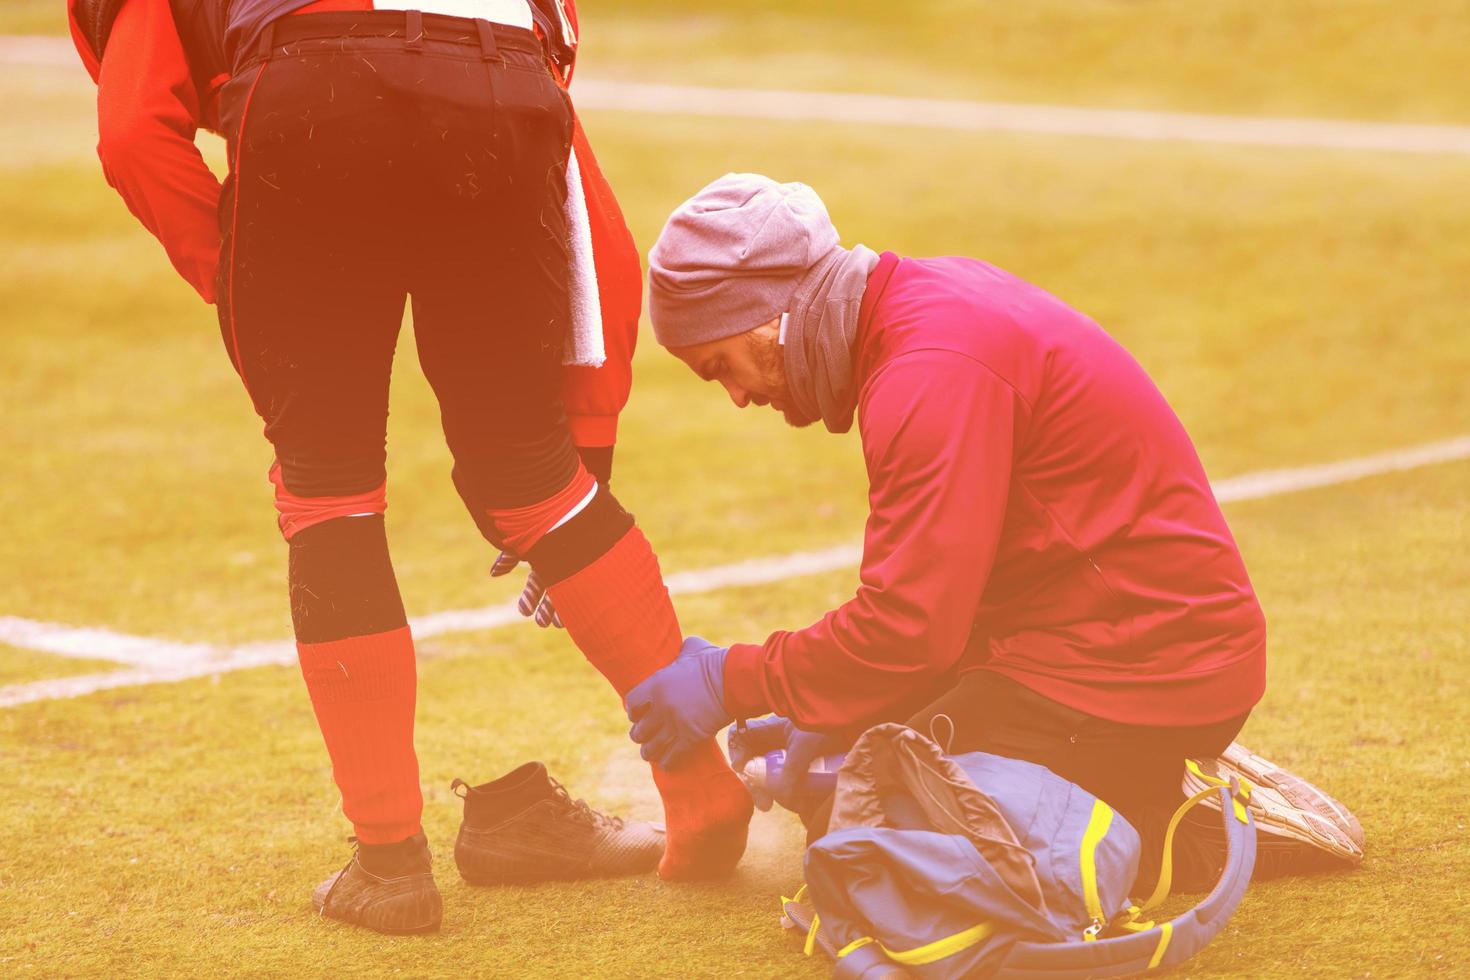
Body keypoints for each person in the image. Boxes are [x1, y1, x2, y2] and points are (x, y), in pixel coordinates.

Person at [67, 0, 752, 935]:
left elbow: (132, 137)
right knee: (534, 483)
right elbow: (585, 211)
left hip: (312, 92)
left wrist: (246, 288)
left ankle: (389, 865)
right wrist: (583, 454)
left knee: (329, 494)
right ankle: (702, 790)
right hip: (499, 85)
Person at [626, 173, 1364, 888]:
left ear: (773, 317)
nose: (737, 397)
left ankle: (1184, 823)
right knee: (856, 764)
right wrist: (826, 708)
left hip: (1147, 673)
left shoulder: (928, 372)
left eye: (721, 364)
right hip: (1098, 640)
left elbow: (909, 631)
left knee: (867, 833)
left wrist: (738, 681)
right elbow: (957, 600)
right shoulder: (921, 308)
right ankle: (1131, 771)